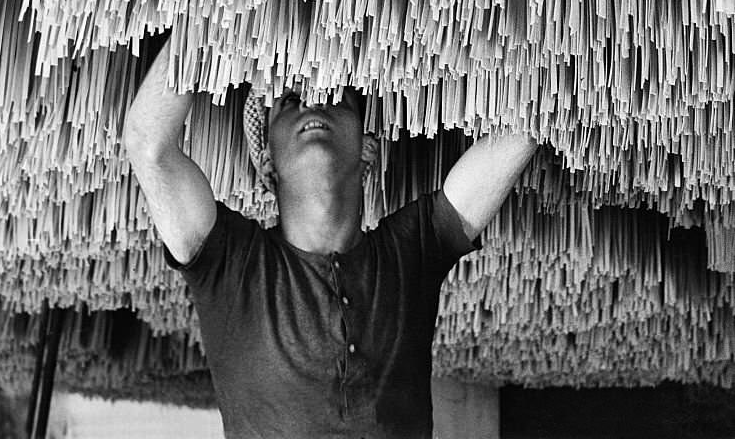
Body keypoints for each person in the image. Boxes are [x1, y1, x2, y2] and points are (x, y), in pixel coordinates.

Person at [124, 35, 537, 439]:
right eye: (288, 101)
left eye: (337, 98)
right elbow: (149, 147)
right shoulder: (230, 266)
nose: (313, 102)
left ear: (366, 152)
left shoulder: (411, 253)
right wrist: (203, 21)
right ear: (267, 164)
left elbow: (523, 129)